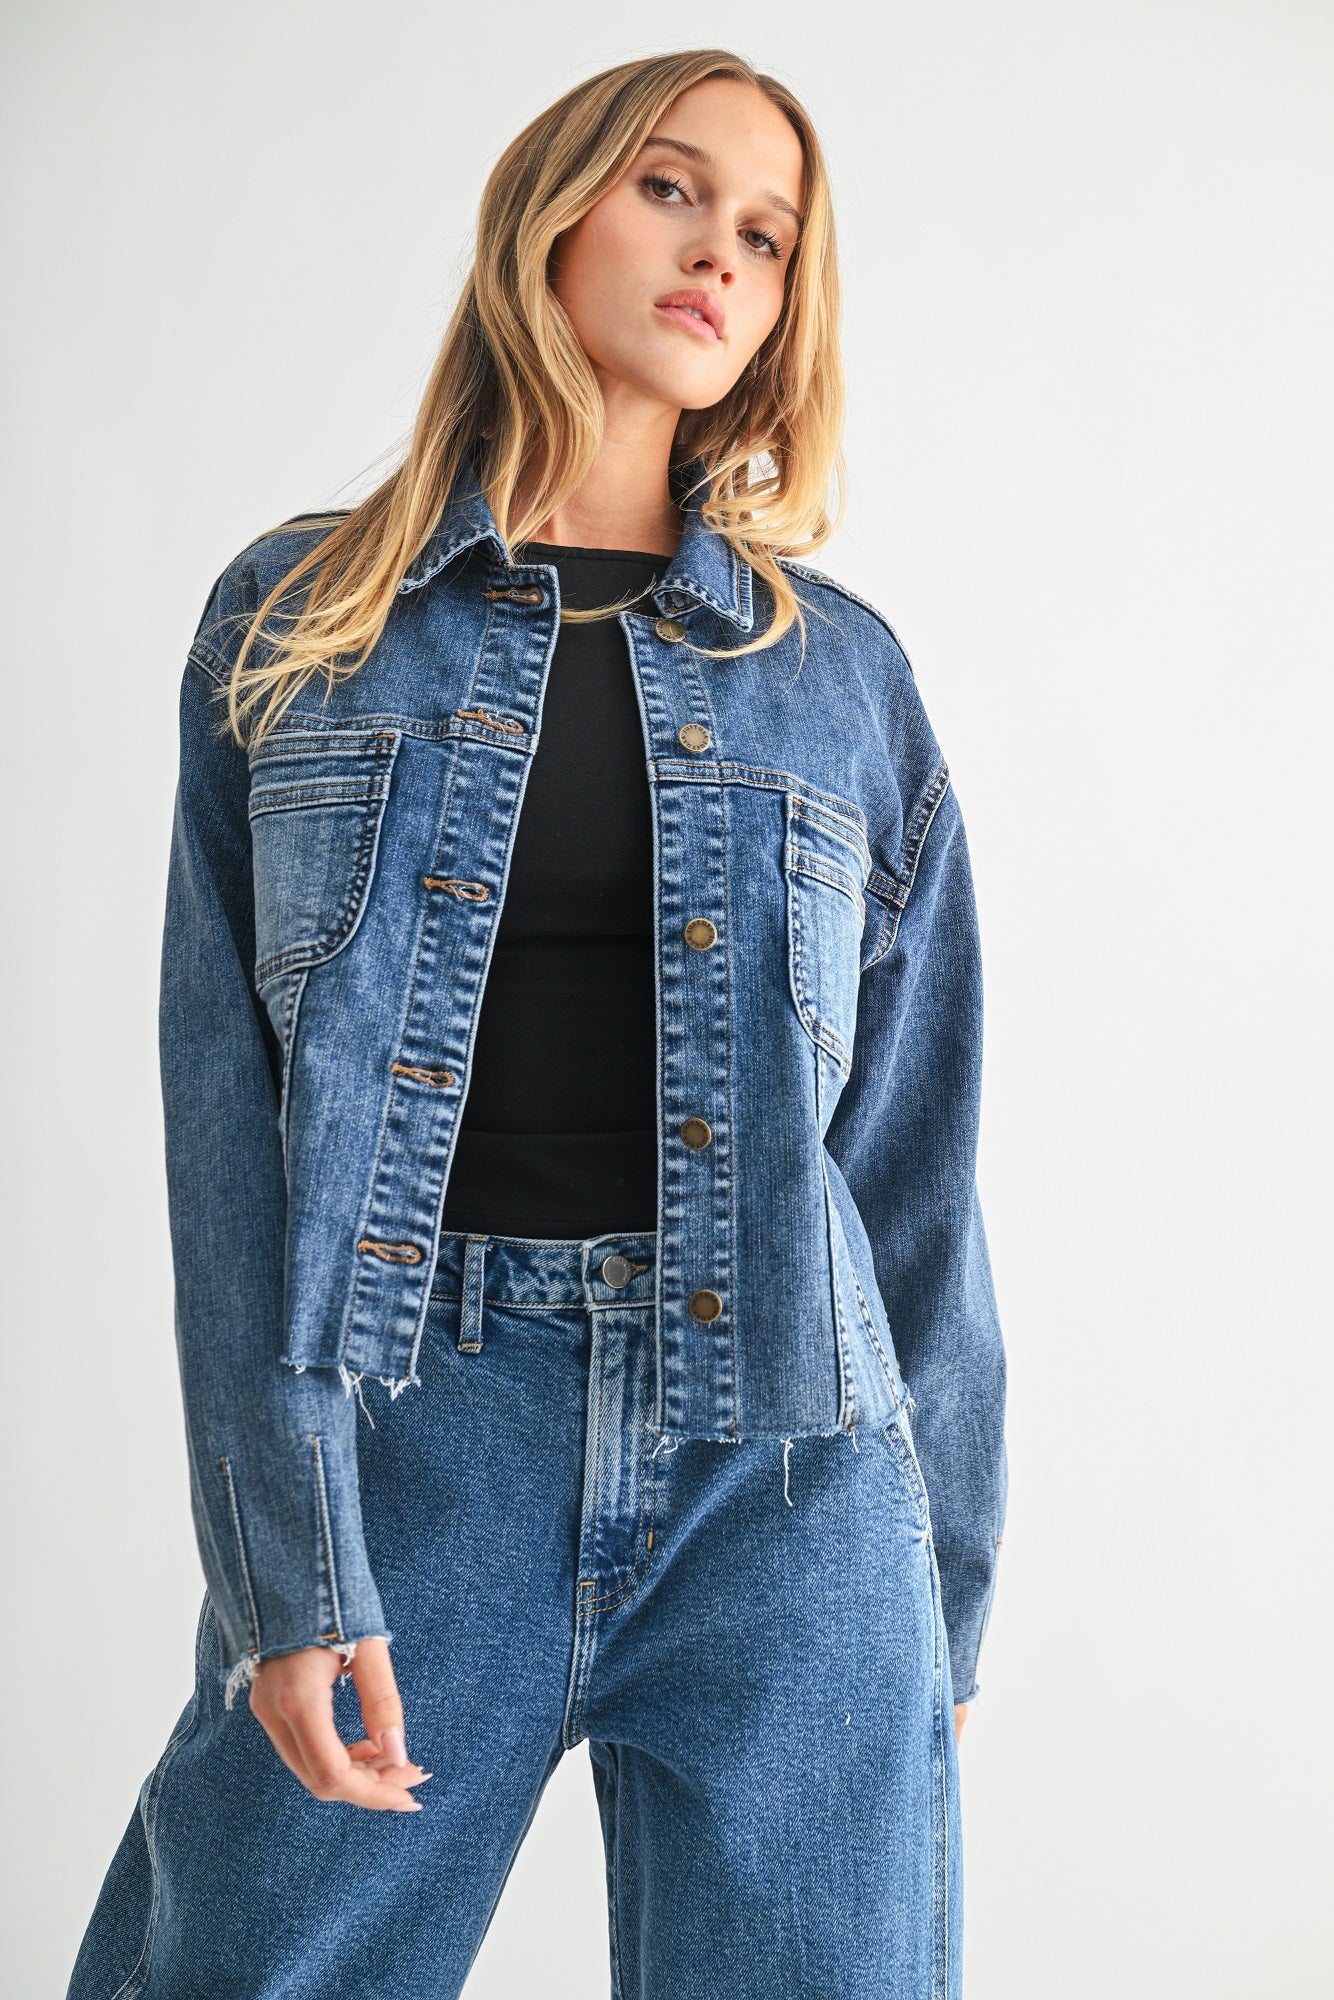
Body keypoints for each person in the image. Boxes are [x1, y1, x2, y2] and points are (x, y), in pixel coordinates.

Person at [68, 46, 1008, 2000]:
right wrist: (285, 1563)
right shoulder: (302, 619)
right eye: (672, 191)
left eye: (766, 233)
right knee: (241, 1961)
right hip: (419, 1430)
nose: (718, 254)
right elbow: (219, 1132)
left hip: (789, 1460)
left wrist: (942, 1599)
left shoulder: (840, 682)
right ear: (551, 211)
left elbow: (914, 1171)